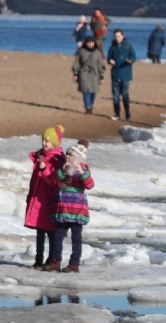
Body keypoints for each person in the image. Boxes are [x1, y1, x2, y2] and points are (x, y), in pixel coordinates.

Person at [24, 126, 64, 268]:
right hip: (38, 197)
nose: (43, 143)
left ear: (54, 143)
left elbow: (53, 180)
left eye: (47, 141)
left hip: (49, 200)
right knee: (39, 230)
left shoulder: (57, 160)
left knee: (51, 231)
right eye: (43, 140)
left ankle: (52, 259)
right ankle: (38, 259)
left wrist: (44, 168)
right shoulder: (40, 156)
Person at [50, 140, 93, 273]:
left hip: (77, 211)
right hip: (62, 210)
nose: (67, 157)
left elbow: (90, 184)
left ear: (79, 158)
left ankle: (74, 264)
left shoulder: (83, 170)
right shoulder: (64, 168)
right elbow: (54, 178)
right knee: (57, 237)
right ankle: (55, 261)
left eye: (71, 155)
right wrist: (64, 171)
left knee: (76, 239)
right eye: (67, 155)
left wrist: (82, 173)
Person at [106, 28, 136, 120]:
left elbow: (134, 56)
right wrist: (110, 61)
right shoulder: (113, 47)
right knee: (115, 96)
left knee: (125, 94)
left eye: (119, 36)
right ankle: (117, 114)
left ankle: (127, 113)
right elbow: (109, 57)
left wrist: (130, 60)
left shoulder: (128, 46)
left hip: (125, 74)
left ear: (122, 36)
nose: (117, 38)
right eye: (116, 36)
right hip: (115, 74)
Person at [72, 35, 106, 115]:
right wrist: (75, 74)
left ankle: (91, 105)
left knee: (93, 92)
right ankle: (88, 107)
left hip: (95, 74)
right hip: (84, 73)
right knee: (86, 91)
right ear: (86, 43)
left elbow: (100, 65)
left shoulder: (97, 52)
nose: (90, 44)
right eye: (89, 43)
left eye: (92, 43)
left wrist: (102, 76)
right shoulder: (81, 51)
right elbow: (77, 63)